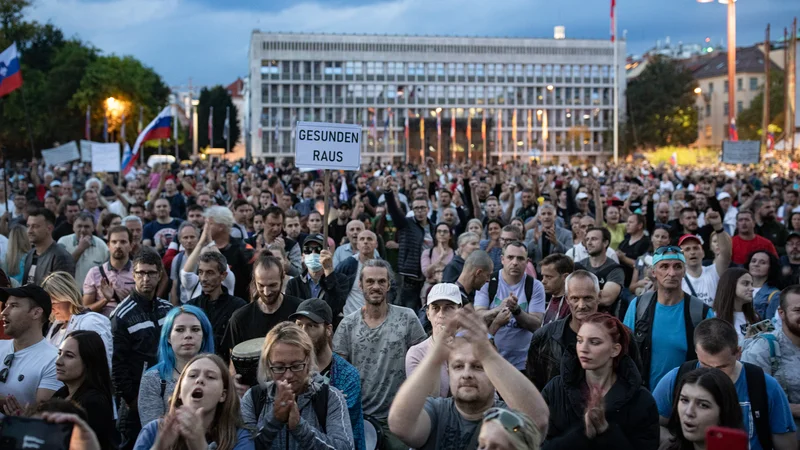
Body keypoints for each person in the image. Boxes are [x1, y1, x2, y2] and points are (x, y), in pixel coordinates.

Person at [387, 306, 549, 450]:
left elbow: (538, 422)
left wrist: (486, 353)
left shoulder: (505, 416)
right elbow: (399, 424)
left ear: (493, 375)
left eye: (478, 366)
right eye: (458, 366)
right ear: (449, 373)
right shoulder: (436, 411)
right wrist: (436, 356)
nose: (466, 374)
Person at [652, 318, 797, 450]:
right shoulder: (677, 378)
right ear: (696, 352)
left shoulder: (763, 385)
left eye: (722, 367)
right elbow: (651, 423)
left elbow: (786, 442)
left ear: (738, 353)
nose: (714, 375)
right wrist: (673, 442)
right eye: (705, 366)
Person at [333, 259, 426, 450]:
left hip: (398, 417)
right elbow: (339, 372)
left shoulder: (407, 318)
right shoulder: (347, 325)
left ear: (389, 285)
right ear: (360, 285)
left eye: (381, 281)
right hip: (359, 420)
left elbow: (423, 361)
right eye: (370, 281)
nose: (376, 286)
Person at [541, 312, 659, 449]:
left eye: (594, 342)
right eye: (579, 340)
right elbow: (536, 442)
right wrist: (582, 434)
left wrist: (606, 431)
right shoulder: (555, 389)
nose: (583, 349)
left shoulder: (641, 400)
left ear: (615, 350)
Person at [241, 322, 354, 450]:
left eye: (296, 366)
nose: (288, 375)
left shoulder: (330, 398)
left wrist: (300, 427)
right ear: (268, 365)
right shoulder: (253, 398)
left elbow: (345, 447)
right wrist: (274, 420)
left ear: (308, 361)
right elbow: (242, 446)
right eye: (279, 367)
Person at [624, 246, 714, 390]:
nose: (671, 273)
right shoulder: (639, 306)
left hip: (685, 397)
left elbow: (712, 359)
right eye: (664, 266)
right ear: (653, 272)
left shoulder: (700, 312)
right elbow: (625, 350)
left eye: (677, 267)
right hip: (644, 395)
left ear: (684, 271)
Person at [111, 249, 174, 450]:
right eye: (140, 273)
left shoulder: (168, 309)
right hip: (135, 401)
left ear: (160, 275)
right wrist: (132, 400)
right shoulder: (121, 314)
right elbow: (117, 365)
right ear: (134, 275)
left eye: (151, 273)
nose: (145, 278)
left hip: (168, 395)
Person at [133, 354, 254, 450]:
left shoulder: (238, 437)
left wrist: (200, 446)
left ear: (223, 395)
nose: (200, 380)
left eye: (210, 377)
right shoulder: (154, 431)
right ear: (179, 391)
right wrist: (158, 447)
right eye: (192, 375)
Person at [291, 298, 366, 450]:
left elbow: (334, 426)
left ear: (328, 329)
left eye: (312, 326)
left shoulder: (347, 375)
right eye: (299, 325)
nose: (303, 333)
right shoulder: (290, 369)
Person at [138, 305, 215, 427]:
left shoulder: (219, 376)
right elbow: (153, 433)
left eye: (195, 329)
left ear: (204, 336)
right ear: (168, 337)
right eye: (180, 330)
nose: (188, 335)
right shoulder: (153, 379)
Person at [526, 270, 603, 390]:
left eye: (587, 298)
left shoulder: (618, 335)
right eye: (575, 299)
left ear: (599, 297)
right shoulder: (544, 337)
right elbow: (533, 388)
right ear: (567, 299)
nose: (581, 305)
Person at [475, 241, 545, 370]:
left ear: (527, 261)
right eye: (510, 257)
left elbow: (536, 326)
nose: (515, 262)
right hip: (490, 359)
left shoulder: (535, 286)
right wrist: (498, 309)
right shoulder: (489, 282)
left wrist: (517, 310)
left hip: (523, 363)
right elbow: (478, 318)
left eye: (520, 258)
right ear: (502, 259)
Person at [221, 253, 302, 363]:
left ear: (283, 277)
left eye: (272, 285)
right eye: (261, 285)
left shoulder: (298, 311)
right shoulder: (240, 318)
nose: (266, 292)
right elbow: (233, 361)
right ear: (254, 281)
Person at [742, 285, 800, 435]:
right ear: (781, 313)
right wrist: (793, 409)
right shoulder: (764, 348)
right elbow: (751, 400)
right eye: (798, 310)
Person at [0, 284, 61, 414]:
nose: (4, 312)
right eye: (6, 306)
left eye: (14, 306)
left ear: (36, 313)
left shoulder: (54, 361)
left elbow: (43, 414)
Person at [52, 330, 116, 449]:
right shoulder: (61, 394)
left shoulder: (94, 403)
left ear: (89, 362)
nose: (58, 362)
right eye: (59, 353)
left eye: (69, 356)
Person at [660, 367, 745, 450]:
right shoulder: (668, 447)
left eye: (703, 405)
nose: (689, 412)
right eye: (684, 400)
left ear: (724, 412)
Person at [41, 271, 113, 367]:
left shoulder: (91, 322)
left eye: (54, 303)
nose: (51, 308)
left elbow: (99, 366)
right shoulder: (55, 325)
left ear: (68, 296)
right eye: (48, 304)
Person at [383, 176, 433, 312]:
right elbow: (394, 211)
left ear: (428, 209)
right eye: (416, 208)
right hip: (409, 279)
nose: (420, 211)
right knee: (406, 312)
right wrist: (388, 192)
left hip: (429, 279)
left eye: (423, 208)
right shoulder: (407, 224)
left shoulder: (433, 228)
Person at [405, 283, 463, 399]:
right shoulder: (417, 353)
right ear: (428, 314)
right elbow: (424, 400)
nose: (441, 314)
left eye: (448, 307)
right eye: (435, 308)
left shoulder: (472, 350)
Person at [187, 251, 246, 352]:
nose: (204, 278)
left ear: (223, 275)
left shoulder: (238, 307)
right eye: (200, 272)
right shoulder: (190, 307)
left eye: (210, 273)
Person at [285, 234, 347, 318]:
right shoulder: (293, 284)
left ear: (327, 253)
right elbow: (291, 313)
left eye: (318, 250)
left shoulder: (341, 280)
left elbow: (336, 307)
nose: (313, 253)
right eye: (308, 250)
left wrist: (329, 273)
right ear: (303, 255)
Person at [82, 226, 136, 317]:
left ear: (131, 246)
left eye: (123, 242)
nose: (118, 246)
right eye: (114, 242)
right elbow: (85, 310)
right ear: (108, 246)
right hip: (103, 325)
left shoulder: (139, 272)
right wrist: (105, 300)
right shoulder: (94, 273)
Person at [205, 206, 256, 300]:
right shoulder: (205, 249)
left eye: (210, 224)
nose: (206, 228)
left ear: (221, 226)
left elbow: (255, 281)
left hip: (240, 305)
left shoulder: (243, 249)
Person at [578, 227, 626, 317]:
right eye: (587, 239)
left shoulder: (615, 269)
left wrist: (577, 294)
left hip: (603, 320)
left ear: (605, 243)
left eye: (594, 239)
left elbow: (606, 298)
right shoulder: (578, 266)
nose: (589, 243)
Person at [57, 212, 110, 291]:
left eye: (87, 226)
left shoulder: (102, 246)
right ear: (73, 227)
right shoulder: (63, 242)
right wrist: (80, 249)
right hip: (70, 294)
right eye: (79, 226)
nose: (83, 230)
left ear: (93, 227)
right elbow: (61, 268)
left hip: (94, 295)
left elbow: (108, 273)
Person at [680, 227, 731, 307]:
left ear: (703, 253)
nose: (692, 252)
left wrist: (719, 227)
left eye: (696, 248)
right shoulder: (678, 279)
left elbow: (726, 254)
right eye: (687, 249)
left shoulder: (714, 271)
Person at [23, 208, 75, 285]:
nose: (30, 231)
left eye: (35, 226)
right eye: (28, 226)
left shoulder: (61, 257)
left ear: (49, 228)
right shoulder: (30, 254)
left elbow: (63, 293)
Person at [713, 268, 760, 344]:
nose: (752, 289)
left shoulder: (755, 316)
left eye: (752, 284)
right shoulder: (715, 319)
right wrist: (745, 342)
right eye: (745, 284)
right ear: (730, 285)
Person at [616, 214, 651, 288]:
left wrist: (624, 258)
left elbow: (644, 265)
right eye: (627, 222)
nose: (627, 225)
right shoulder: (624, 242)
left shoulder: (646, 243)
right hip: (620, 283)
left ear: (640, 225)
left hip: (637, 286)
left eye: (631, 222)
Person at [747, 250, 784, 320]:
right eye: (753, 261)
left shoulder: (775, 295)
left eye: (762, 263)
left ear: (771, 268)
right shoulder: (738, 287)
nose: (756, 264)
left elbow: (771, 326)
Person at [540, 254, 574, 325]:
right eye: (543, 276)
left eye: (549, 277)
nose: (543, 281)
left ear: (565, 277)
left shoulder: (571, 305)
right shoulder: (553, 297)